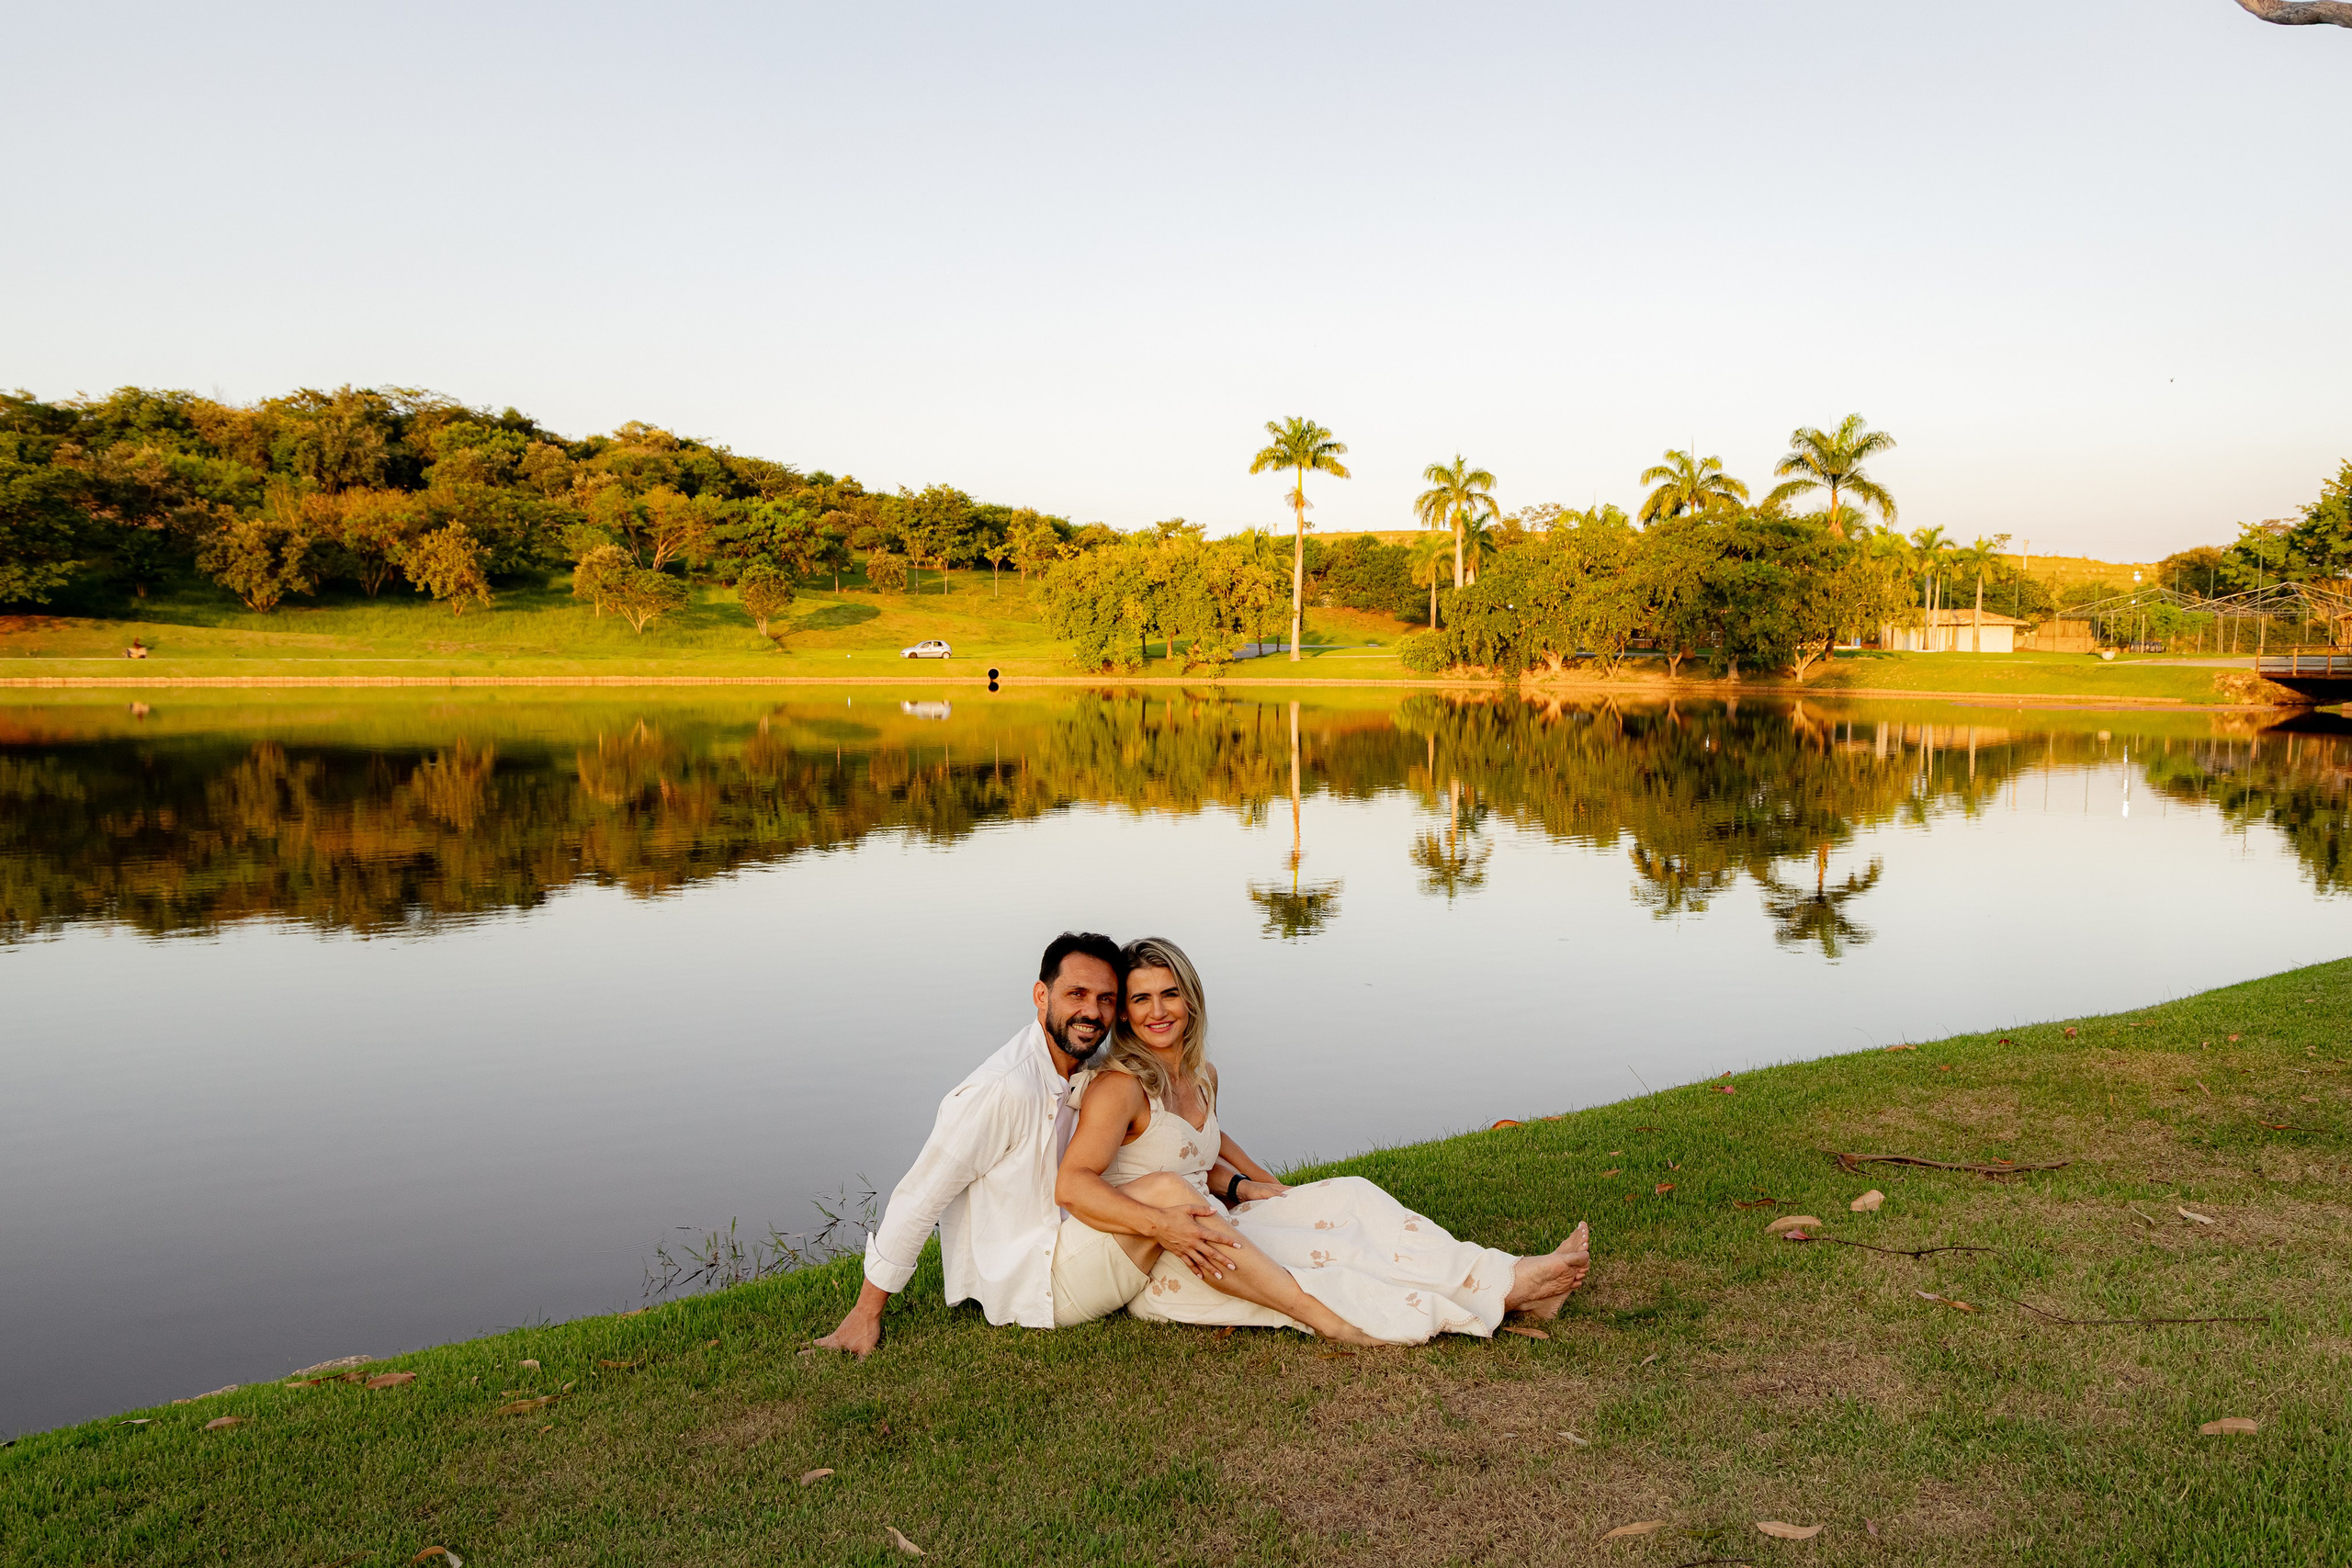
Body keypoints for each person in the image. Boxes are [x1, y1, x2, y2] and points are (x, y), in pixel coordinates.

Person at [811, 931, 1331, 1358]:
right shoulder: (1002, 1091)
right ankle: (1314, 1311)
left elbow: (1175, 1137)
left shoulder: (1088, 1068)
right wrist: (866, 1311)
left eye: (1106, 999)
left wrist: (1244, 1183)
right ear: (1042, 996)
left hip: (1089, 1238)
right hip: (1033, 1281)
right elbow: (920, 1198)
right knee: (1174, 1198)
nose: (1093, 1012)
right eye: (1076, 995)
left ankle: (1310, 1285)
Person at [1057, 936, 1590, 1343]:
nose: (1158, 1011)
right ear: (1124, 1011)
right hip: (1174, 1250)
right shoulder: (1120, 1087)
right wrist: (1181, 1220)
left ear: (1191, 1000)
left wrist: (1259, 1189)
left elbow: (1200, 1147)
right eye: (1141, 999)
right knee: (1330, 1256)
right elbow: (1077, 1182)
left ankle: (1510, 1280)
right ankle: (1495, 1293)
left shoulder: (1202, 1076)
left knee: (1349, 1198)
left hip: (1214, 1219)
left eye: (1170, 994)